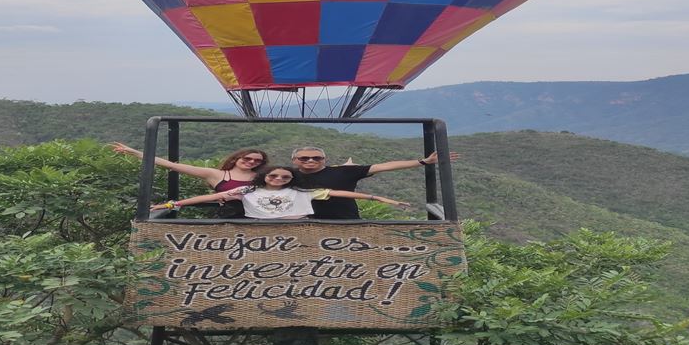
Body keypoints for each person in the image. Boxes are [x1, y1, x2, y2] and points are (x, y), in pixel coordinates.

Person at [151, 165, 409, 220]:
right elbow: (210, 198)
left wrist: (379, 198)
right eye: (274, 175)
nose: (278, 179)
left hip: (296, 232)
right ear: (265, 176)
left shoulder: (301, 190)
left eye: (284, 176)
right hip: (260, 232)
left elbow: (338, 193)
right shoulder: (247, 190)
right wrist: (171, 205)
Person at [289, 146, 458, 219]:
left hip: (346, 221)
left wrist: (423, 161)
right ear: (294, 160)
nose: (310, 160)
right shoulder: (285, 176)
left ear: (324, 159)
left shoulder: (343, 172)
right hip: (303, 223)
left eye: (316, 157)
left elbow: (385, 166)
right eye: (304, 158)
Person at [110, 142, 266, 218]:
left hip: (259, 217)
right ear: (237, 158)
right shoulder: (217, 175)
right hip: (229, 216)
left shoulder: (264, 177)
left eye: (257, 161)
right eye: (247, 158)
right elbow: (172, 166)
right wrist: (134, 152)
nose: (251, 162)